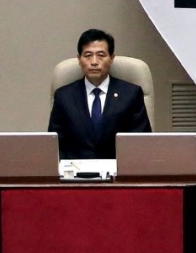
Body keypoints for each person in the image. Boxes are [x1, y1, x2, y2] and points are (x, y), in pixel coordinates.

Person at [48, 28, 152, 158]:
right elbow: (55, 146)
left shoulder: (131, 94)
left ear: (112, 58)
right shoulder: (64, 96)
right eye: (88, 55)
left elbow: (141, 143)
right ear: (79, 59)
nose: (94, 62)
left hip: (117, 173)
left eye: (101, 55)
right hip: (76, 174)